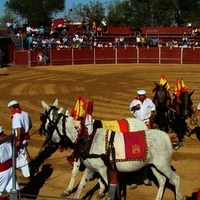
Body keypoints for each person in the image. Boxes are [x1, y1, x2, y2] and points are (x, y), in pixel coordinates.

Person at [8, 100, 32, 180]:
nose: (10, 110)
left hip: (21, 139)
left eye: (10, 108)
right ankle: (18, 167)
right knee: (17, 154)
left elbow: (18, 128)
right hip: (26, 137)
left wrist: (18, 140)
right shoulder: (25, 113)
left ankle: (26, 175)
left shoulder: (16, 116)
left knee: (22, 156)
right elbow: (31, 125)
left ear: (12, 107)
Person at [0, 126, 19, 196]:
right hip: (11, 168)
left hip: (1, 171)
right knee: (14, 191)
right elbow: (16, 154)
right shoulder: (9, 139)